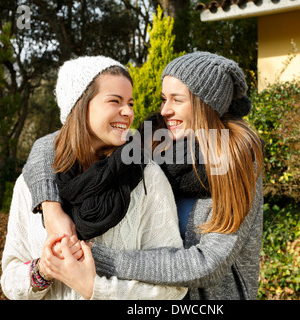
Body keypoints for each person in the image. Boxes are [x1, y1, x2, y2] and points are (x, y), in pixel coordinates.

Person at [22, 52, 264, 299]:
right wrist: (50, 206)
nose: (165, 110)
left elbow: (207, 264)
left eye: (176, 100)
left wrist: (93, 256)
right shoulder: (158, 139)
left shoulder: (235, 161)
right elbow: (53, 143)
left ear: (205, 104)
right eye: (163, 99)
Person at [0, 56, 187, 300]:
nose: (128, 112)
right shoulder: (32, 185)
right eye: (115, 101)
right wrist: (43, 270)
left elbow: (174, 286)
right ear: (79, 105)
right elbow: (10, 277)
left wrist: (95, 289)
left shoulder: (146, 177)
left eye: (130, 103)